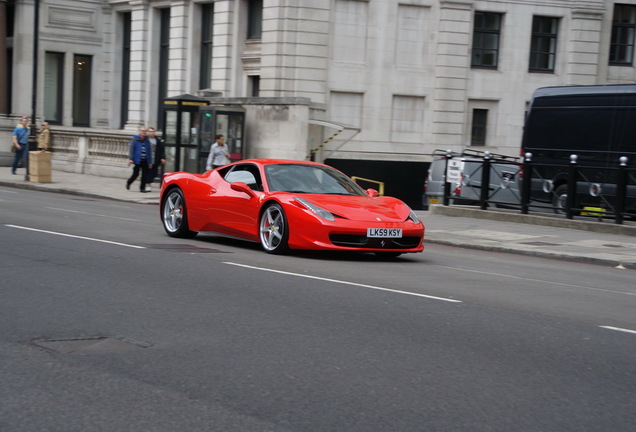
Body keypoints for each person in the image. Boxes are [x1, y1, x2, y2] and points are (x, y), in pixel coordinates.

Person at [126, 127, 152, 192]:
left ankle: (142, 188)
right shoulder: (135, 139)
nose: (144, 132)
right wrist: (131, 159)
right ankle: (129, 182)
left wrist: (150, 162)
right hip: (137, 160)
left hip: (145, 160)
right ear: (139, 132)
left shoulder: (147, 140)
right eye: (142, 131)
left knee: (144, 175)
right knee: (136, 174)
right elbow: (131, 149)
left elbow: (149, 151)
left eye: (145, 131)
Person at [145, 127, 165, 192]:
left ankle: (148, 182)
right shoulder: (146, 140)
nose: (152, 133)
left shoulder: (158, 141)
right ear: (148, 132)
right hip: (148, 159)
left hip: (156, 159)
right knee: (149, 172)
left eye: (153, 131)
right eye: (150, 131)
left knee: (155, 173)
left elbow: (162, 150)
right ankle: (148, 185)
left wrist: (162, 158)